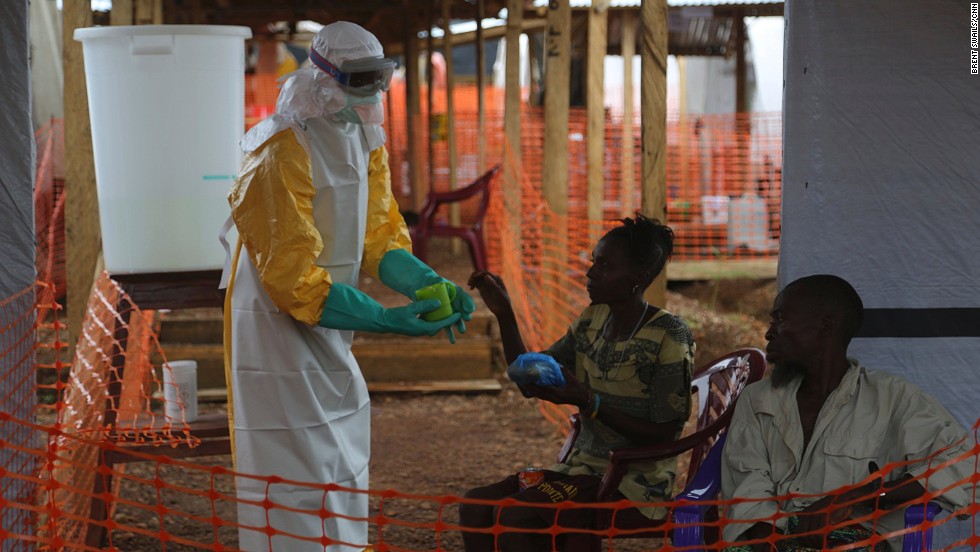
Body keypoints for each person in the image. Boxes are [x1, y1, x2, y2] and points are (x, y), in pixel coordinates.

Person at [223, 21, 474, 551]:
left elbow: (380, 234)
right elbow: (294, 281)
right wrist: (385, 319)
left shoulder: (363, 136)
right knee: (293, 462)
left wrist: (428, 284)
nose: (373, 92)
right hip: (276, 321)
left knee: (340, 450)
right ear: (323, 77)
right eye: (362, 79)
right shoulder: (278, 151)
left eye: (378, 78)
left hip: (333, 314)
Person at [459, 214, 696, 552]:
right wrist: (505, 314)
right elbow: (530, 378)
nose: (590, 273)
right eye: (594, 262)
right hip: (581, 470)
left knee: (516, 517)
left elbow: (665, 433)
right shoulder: (592, 319)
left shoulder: (669, 335)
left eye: (605, 266)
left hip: (634, 483)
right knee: (476, 505)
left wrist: (589, 401)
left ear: (638, 278)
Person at [721, 274, 975, 552]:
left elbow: (962, 465)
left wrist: (857, 497)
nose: (770, 332)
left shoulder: (893, 398)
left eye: (780, 319)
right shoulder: (757, 400)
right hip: (771, 540)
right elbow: (748, 485)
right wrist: (770, 541)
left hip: (859, 540)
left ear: (826, 326)